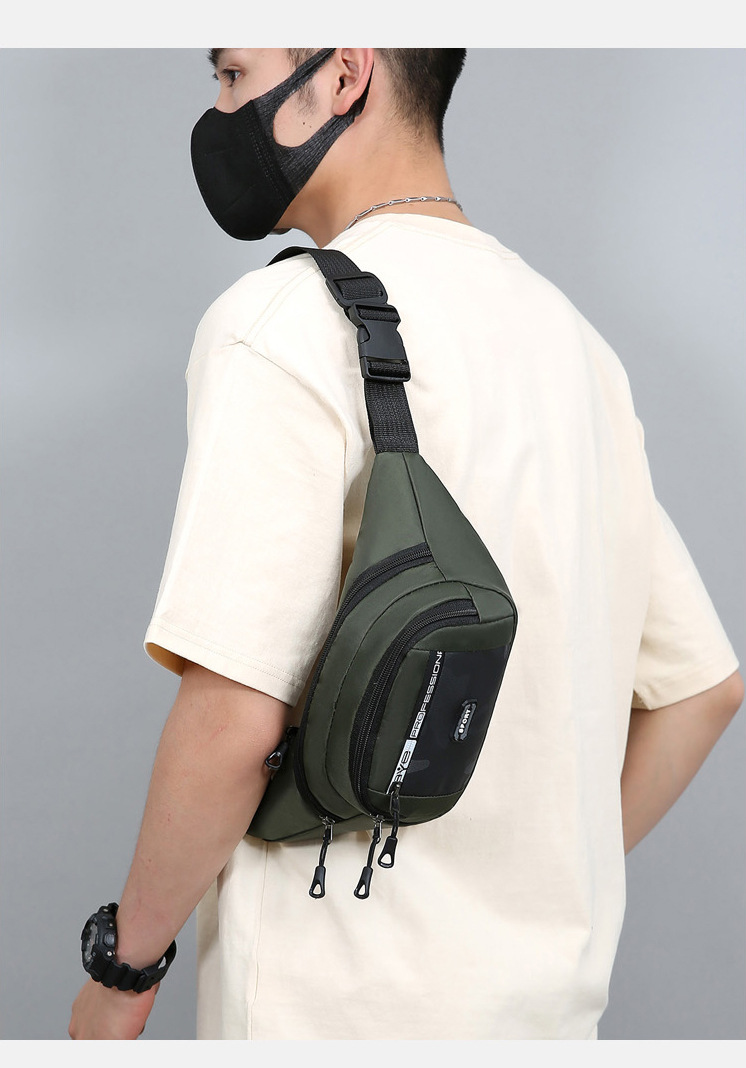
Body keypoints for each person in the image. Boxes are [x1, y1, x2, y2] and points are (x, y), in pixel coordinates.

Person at [69, 47, 743, 1041]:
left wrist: (122, 974)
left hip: (329, 1013)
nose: (218, 111)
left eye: (233, 75)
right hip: (544, 1022)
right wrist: (532, 897)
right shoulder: (572, 345)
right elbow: (702, 690)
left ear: (345, 75)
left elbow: (232, 723)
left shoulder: (285, 323)